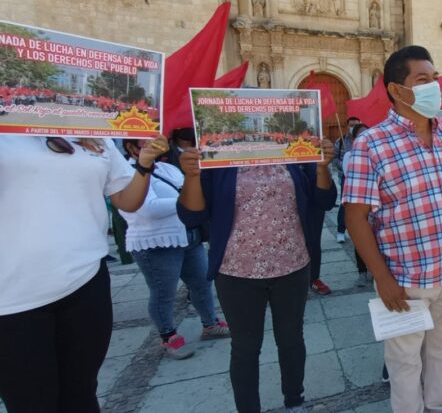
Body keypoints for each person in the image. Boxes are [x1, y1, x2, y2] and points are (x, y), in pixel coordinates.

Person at [343, 45, 442, 413]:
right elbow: (355, 217)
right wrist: (382, 278)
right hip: (405, 278)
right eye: (422, 79)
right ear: (396, 89)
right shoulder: (370, 144)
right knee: (404, 362)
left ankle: (438, 406)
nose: (434, 85)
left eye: (435, 78)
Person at [0, 134, 169, 413]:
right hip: (12, 299)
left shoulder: (90, 129)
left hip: (85, 281)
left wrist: (145, 165)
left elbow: (126, 200)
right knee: (32, 401)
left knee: (81, 393)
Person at [177, 139, 337, 412]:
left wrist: (322, 167)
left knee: (291, 341)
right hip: (236, 271)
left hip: (292, 265)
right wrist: (192, 176)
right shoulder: (218, 156)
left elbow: (325, 200)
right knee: (245, 348)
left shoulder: (295, 153)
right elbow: (191, 216)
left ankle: (294, 401)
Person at [118, 139, 230, 360]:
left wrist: (190, 196)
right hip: (156, 242)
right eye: (147, 142)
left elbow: (189, 190)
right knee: (163, 292)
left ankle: (210, 323)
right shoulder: (127, 173)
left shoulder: (167, 168)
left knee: (202, 282)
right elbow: (147, 208)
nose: (155, 145)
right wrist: (185, 200)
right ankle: (168, 334)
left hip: (187, 235)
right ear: (132, 148)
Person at [343, 122, 372, 287]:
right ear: (354, 139)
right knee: (360, 238)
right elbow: (352, 176)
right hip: (359, 203)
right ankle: (362, 272)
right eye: (361, 135)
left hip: (376, 206)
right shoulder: (350, 156)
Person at [334, 116, 361, 244]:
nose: (353, 127)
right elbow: (335, 159)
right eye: (351, 124)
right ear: (347, 126)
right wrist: (346, 163)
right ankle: (340, 231)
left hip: (361, 177)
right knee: (345, 205)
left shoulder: (365, 140)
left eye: (356, 124)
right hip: (346, 177)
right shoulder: (340, 142)